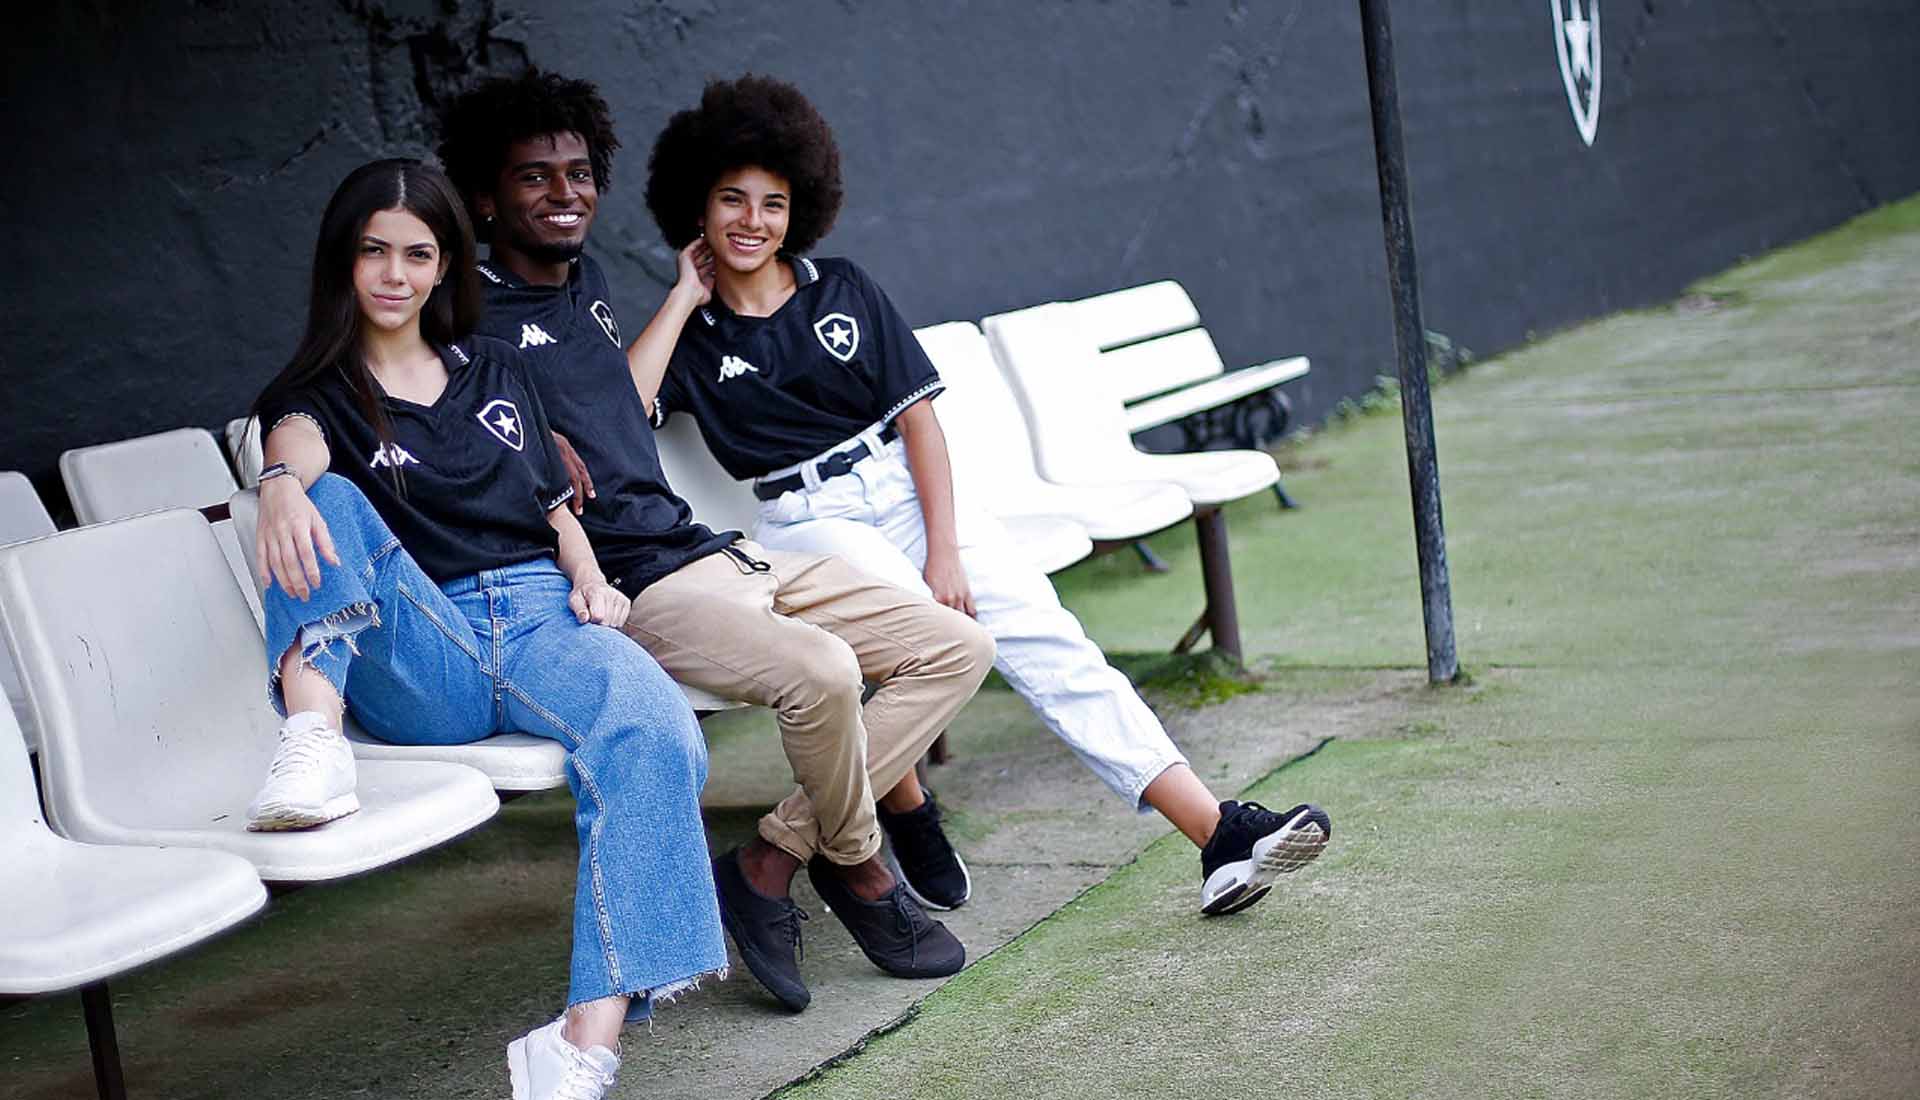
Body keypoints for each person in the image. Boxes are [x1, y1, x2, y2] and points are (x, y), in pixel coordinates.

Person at [635, 75, 1333, 918]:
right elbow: (622, 410)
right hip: (807, 521)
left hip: (902, 489)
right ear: (697, 206)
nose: (753, 220)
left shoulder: (842, 288)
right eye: (732, 199)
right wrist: (682, 296)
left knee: (1049, 635)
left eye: (773, 203)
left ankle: (1215, 833)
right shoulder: (691, 335)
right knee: (910, 640)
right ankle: (907, 807)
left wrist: (945, 550)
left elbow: (920, 424)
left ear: (799, 209)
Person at [434, 70, 996, 1014]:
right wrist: (522, 443)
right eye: (535, 177)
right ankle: (863, 872)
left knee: (958, 645)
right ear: (485, 198)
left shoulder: (589, 286)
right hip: (633, 585)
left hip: (709, 548)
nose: (565, 193)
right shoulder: (463, 319)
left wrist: (685, 295)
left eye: (579, 174)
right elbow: (426, 422)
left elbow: (624, 407)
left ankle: (774, 856)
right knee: (823, 671)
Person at [245, 157, 724, 1100]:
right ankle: (312, 741)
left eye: (418, 254)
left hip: (545, 619)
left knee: (657, 727)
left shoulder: (496, 367)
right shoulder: (315, 391)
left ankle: (581, 1047)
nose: (395, 274)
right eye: (374, 251)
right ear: (343, 261)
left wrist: (592, 580)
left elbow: (553, 505)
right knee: (324, 496)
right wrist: (278, 482)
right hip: (427, 646)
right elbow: (294, 442)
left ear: (445, 266)